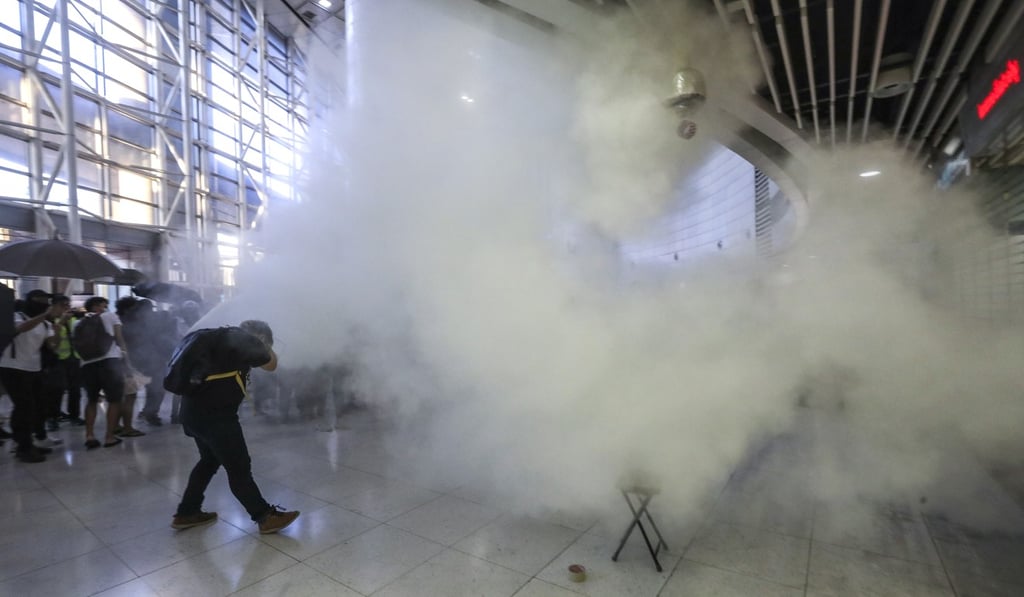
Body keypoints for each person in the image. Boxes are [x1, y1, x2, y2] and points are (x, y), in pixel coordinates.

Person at [172, 320, 300, 534]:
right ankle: (264, 516)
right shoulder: (240, 346)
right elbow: (271, 364)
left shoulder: (217, 344)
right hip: (217, 418)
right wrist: (262, 343)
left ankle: (187, 512)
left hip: (193, 414)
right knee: (239, 467)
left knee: (208, 461)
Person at [0, 290, 65, 462]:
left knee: (37, 407)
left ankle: (28, 442)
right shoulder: (17, 316)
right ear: (30, 300)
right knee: (24, 407)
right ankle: (23, 447)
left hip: (34, 368)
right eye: (39, 300)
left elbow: (52, 346)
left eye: (46, 300)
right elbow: (20, 329)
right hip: (13, 367)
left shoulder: (45, 324)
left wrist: (58, 330)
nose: (43, 303)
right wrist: (45, 315)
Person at [78, 296, 130, 449]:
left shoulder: (79, 322)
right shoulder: (111, 316)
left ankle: (89, 435)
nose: (105, 308)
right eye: (104, 305)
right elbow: (119, 339)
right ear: (97, 306)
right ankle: (109, 436)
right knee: (114, 400)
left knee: (92, 400)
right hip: (110, 361)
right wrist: (127, 359)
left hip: (87, 364)